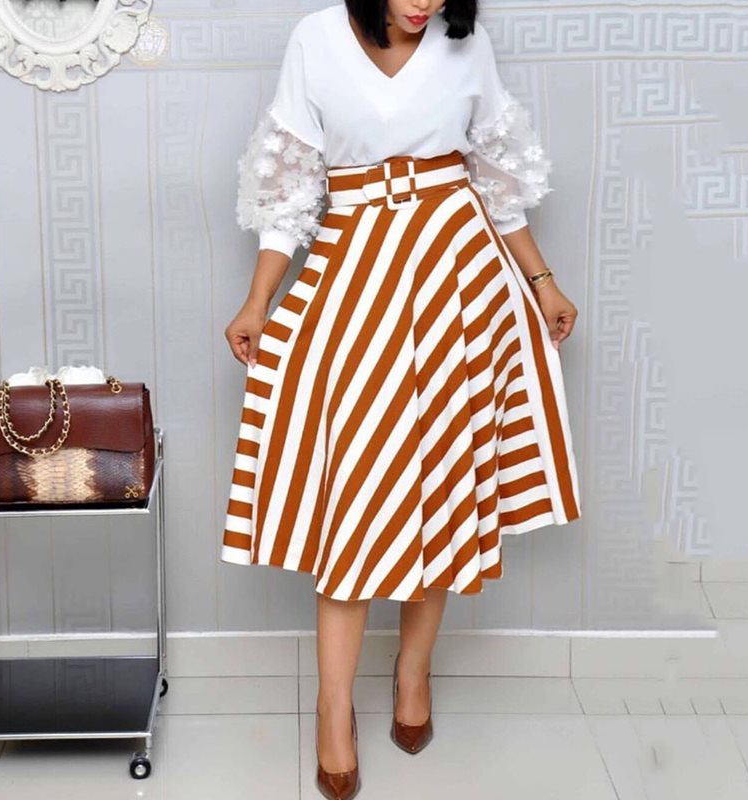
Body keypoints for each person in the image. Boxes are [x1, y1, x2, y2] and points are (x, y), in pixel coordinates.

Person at [221, 1, 582, 797]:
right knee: (353, 497)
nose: (426, 4)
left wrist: (542, 280)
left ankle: (413, 671)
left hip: (460, 277)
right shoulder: (316, 38)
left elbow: (496, 182)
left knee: (442, 483)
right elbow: (289, 188)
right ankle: (333, 706)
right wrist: (258, 300)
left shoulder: (466, 44)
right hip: (355, 276)